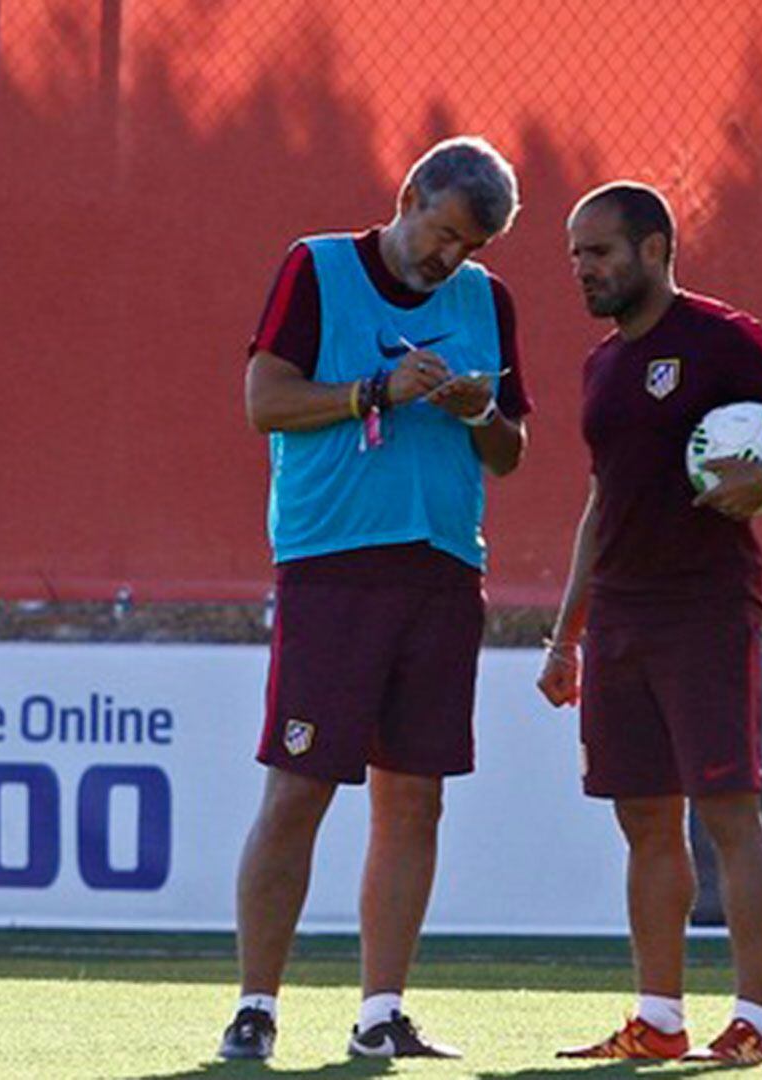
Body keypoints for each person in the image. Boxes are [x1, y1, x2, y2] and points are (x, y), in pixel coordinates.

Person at [541, 181, 762, 1065]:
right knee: (645, 823)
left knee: (728, 813)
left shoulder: (722, 338)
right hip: (619, 620)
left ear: (655, 250)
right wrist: (566, 631)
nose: (584, 268)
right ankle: (658, 1020)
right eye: (575, 254)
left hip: (704, 612)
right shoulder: (602, 365)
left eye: (600, 251)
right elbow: (601, 503)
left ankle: (755, 1024)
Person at [219, 136, 532, 1062]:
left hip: (443, 568)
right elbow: (264, 401)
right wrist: (373, 391)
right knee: (299, 789)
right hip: (333, 564)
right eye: (442, 235)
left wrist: (479, 409)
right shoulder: (316, 267)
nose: (449, 260)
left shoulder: (487, 302)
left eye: (468, 248)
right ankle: (255, 1006)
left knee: (415, 800)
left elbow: (512, 451)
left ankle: (381, 1011)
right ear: (407, 196)